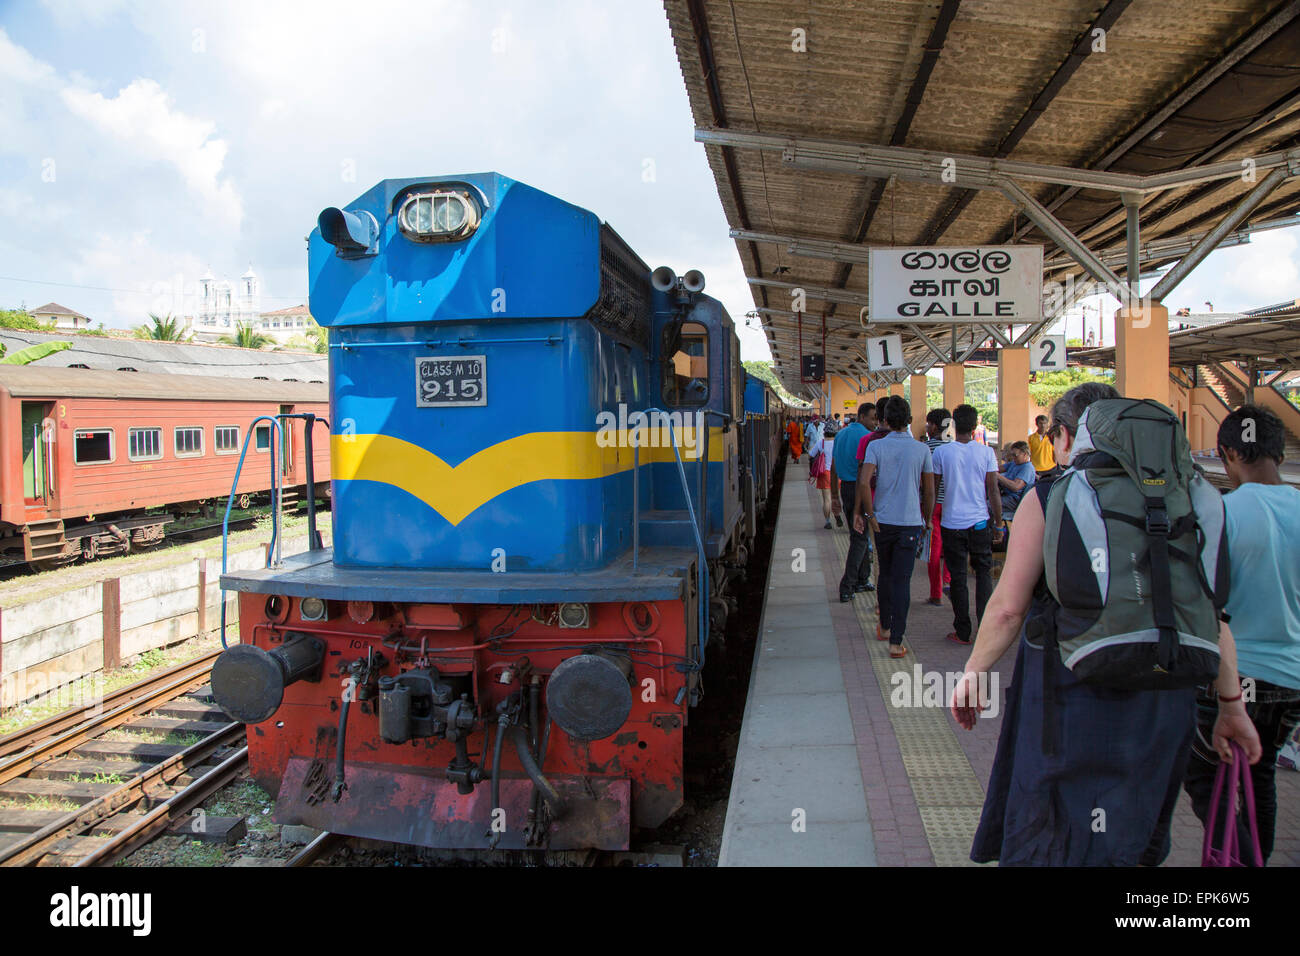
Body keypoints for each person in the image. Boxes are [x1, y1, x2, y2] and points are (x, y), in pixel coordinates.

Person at [950, 382, 1260, 866]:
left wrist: (973, 670)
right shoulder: (1187, 497)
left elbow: (1008, 607)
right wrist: (1231, 707)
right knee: (1130, 835)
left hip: (1071, 696)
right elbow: (1210, 616)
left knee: (1055, 831)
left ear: (1068, 436)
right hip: (1162, 704)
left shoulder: (1050, 495)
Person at [1183, 406, 1300, 865]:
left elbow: (1204, 599)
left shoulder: (1221, 513)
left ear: (1229, 453)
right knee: (1262, 772)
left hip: (1234, 680)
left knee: (1204, 775)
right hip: (1291, 678)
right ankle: (1255, 856)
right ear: (1280, 451)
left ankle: (1241, 861)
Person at [853, 396, 935, 659]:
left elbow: (864, 483)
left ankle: (885, 626)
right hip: (910, 523)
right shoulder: (922, 450)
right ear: (910, 421)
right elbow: (930, 490)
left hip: (883, 522)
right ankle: (896, 643)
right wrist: (928, 518)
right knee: (902, 581)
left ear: (884, 420)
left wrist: (869, 514)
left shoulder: (876, 447)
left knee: (885, 575)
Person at [931, 405, 1003, 646]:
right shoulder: (986, 453)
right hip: (980, 522)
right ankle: (986, 628)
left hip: (952, 524)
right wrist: (999, 523)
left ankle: (962, 631)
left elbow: (933, 488)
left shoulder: (942, 453)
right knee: (984, 575)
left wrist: (927, 518)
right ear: (974, 427)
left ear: (953, 426)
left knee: (958, 577)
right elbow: (992, 490)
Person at [834, 403, 875, 601]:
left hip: (845, 489)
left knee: (858, 536)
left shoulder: (841, 434)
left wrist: (834, 496)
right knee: (859, 538)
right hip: (859, 489)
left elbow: (833, 465)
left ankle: (862, 578)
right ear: (861, 417)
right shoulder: (866, 438)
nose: (875, 422)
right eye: (872, 418)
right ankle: (847, 586)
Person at [923, 407, 952, 607]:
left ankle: (936, 593)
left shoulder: (927, 448)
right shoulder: (953, 447)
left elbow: (925, 482)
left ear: (933, 426)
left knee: (933, 548)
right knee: (950, 546)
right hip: (951, 504)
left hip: (933, 504)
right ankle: (949, 583)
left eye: (928, 424)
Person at [807, 424, 837, 529]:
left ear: (824, 432)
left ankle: (828, 521)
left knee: (827, 499)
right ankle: (838, 516)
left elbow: (810, 454)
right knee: (837, 497)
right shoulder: (838, 443)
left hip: (824, 473)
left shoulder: (821, 443)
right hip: (837, 473)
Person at [996, 441, 1036, 519]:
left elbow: (1016, 486)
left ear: (1025, 454)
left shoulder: (1027, 468)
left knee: (987, 505)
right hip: (1005, 493)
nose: (1013, 457)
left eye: (1015, 455)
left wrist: (997, 476)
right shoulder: (1015, 463)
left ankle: (994, 528)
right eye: (1012, 455)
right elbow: (998, 469)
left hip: (1013, 499)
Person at [1027, 414, 1057, 480]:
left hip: (1051, 468)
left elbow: (1055, 452)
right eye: (1040, 423)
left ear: (1047, 424)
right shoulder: (1031, 438)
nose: (1043, 425)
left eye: (1044, 423)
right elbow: (1028, 453)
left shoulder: (1052, 437)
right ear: (1036, 424)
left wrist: (1056, 464)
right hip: (1036, 469)